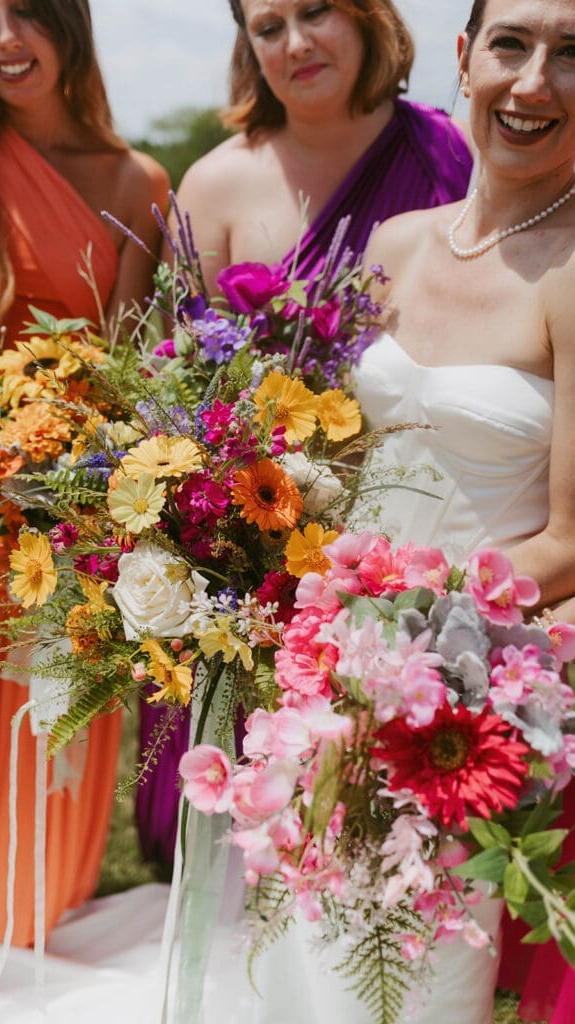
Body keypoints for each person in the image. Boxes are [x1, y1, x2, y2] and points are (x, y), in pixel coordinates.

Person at [136, 0, 473, 869]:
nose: (294, 42)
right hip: (256, 536)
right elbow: (174, 380)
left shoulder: (449, 156)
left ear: (369, 18)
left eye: (315, 10)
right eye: (267, 25)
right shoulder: (214, 181)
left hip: (407, 528)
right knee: (237, 815)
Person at [0, 0, 168, 962]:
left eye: (28, 13)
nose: (6, 39)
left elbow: (129, 375)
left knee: (45, 752)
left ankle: (25, 951)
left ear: (71, 24)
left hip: (60, 522)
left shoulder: (134, 182)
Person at [354, 0, 575, 1020]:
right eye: (510, 45)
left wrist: (411, 638)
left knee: (419, 976)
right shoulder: (393, 242)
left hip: (478, 687)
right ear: (461, 56)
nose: (533, 83)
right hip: (331, 661)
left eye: (572, 57)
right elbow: (326, 445)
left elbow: (570, 539)